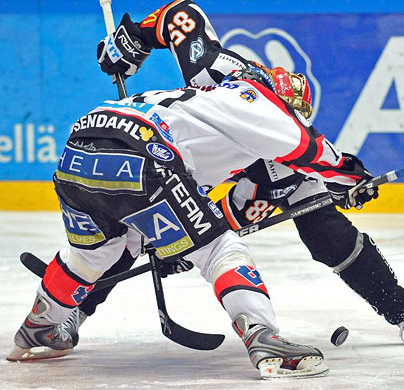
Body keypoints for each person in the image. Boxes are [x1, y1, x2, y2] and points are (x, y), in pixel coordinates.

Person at [62, 0, 404, 348]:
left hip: (177, 169)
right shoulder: (219, 73)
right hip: (153, 146)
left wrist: (181, 243)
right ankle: (72, 311)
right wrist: (137, 37)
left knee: (329, 233)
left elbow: (234, 213)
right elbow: (183, 15)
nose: (289, 123)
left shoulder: (284, 165)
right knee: (126, 234)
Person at [7, 61, 378, 380]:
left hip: (79, 150)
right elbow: (309, 151)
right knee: (221, 250)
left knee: (91, 258)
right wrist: (353, 177)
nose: (296, 116)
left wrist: (169, 244)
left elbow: (162, 211)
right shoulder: (258, 102)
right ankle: (263, 337)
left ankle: (37, 328)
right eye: (294, 109)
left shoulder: (206, 102)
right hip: (143, 152)